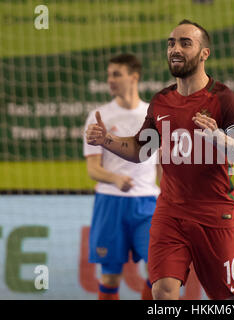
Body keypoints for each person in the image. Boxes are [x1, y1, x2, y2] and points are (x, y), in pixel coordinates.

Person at [86, 19, 234, 300]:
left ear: (204, 53)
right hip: (170, 213)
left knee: (226, 299)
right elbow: (141, 149)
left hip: (214, 214)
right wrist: (107, 141)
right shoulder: (161, 100)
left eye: (185, 43)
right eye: (171, 43)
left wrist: (218, 138)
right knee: (163, 291)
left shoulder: (225, 100)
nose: (175, 49)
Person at [83, 53, 161, 300]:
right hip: (110, 203)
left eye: (116, 74)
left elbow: (162, 166)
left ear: (134, 77)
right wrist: (115, 179)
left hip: (148, 203)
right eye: (108, 75)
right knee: (110, 277)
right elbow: (93, 169)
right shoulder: (99, 116)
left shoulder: (154, 115)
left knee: (160, 272)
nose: (110, 80)